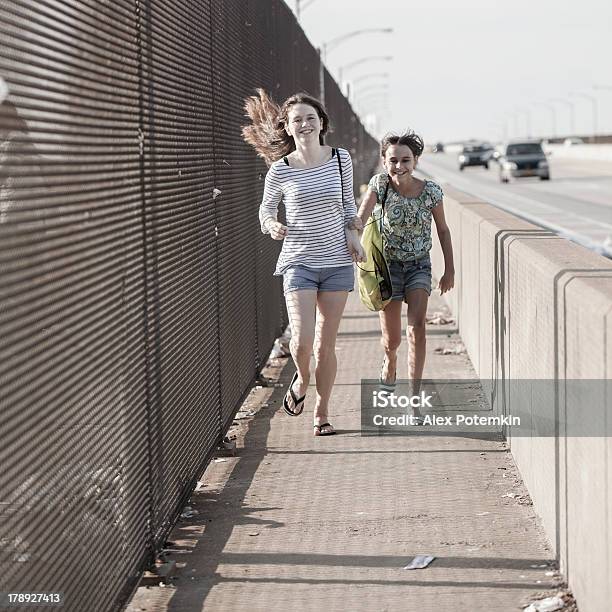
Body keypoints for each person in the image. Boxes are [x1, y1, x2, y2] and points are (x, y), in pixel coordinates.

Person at [242, 89, 365, 436]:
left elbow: (348, 205)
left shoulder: (341, 159)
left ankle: (321, 412)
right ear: (288, 127)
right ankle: (301, 381)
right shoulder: (280, 171)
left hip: (337, 261)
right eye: (298, 119)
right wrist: (272, 225)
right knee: (301, 341)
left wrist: (354, 236)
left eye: (311, 118)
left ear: (322, 123)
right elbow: (266, 210)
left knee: (325, 345)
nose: (305, 124)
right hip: (299, 261)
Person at [356, 131, 454, 421]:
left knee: (417, 328)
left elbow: (444, 230)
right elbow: (362, 215)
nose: (399, 166)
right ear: (384, 162)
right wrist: (354, 233)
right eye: (393, 160)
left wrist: (449, 270)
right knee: (392, 339)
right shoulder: (380, 185)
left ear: (416, 161)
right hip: (387, 267)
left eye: (406, 160)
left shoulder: (431, 191)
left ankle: (415, 399)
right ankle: (390, 362)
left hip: (419, 266)